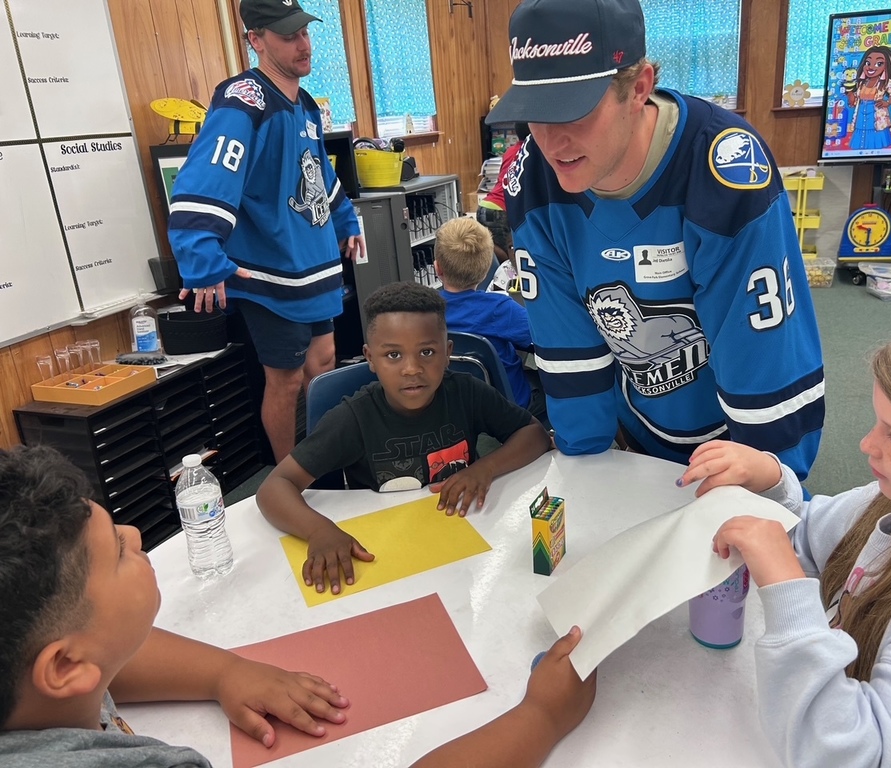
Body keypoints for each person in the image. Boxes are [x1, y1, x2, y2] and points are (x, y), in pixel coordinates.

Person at [0, 445, 595, 767]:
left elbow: (106, 657)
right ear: (64, 669)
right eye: (116, 553)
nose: (135, 534)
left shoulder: (36, 673)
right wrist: (539, 717)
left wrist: (225, 670)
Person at [486, 0, 825, 480]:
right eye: (536, 116)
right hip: (642, 427)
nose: (552, 143)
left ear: (639, 87)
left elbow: (764, 359)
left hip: (739, 437)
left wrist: (770, 482)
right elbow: (567, 352)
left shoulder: (724, 171)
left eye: (575, 113)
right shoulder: (533, 182)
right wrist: (587, 478)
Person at [680, 312, 891, 766]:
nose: (866, 444)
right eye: (878, 423)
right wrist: (770, 481)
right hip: (843, 690)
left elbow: (857, 757)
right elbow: (808, 537)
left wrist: (787, 592)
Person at [257, 282, 551, 595]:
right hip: (383, 559)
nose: (412, 369)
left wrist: (484, 469)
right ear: (370, 358)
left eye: (427, 352)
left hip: (463, 548)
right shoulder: (355, 418)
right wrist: (319, 530)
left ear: (448, 352)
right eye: (393, 355)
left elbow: (534, 434)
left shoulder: (465, 392)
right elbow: (274, 488)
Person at [168, 0, 366, 464]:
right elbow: (206, 178)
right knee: (287, 379)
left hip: (313, 262)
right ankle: (288, 475)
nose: (303, 45)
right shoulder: (243, 100)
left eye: (304, 33)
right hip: (270, 273)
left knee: (325, 364)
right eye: (287, 36)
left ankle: (324, 457)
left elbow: (316, 173)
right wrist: (201, 256)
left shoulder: (306, 105)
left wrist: (345, 220)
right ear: (256, 40)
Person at [434, 217, 546, 419]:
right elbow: (545, 337)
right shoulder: (500, 308)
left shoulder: (424, 310)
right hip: (507, 409)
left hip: (449, 406)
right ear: (487, 269)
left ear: (437, 268)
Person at [477, 122, 530, 263]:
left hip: (487, 204)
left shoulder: (510, 151)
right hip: (501, 209)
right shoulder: (531, 151)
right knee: (511, 258)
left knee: (496, 252)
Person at [844, 46, 891, 151]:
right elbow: (854, 100)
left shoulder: (885, 82)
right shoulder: (861, 83)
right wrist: (850, 95)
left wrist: (887, 102)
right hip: (861, 112)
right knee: (860, 130)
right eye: (868, 63)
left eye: (879, 64)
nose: (871, 67)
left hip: (876, 112)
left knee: (877, 131)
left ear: (886, 66)